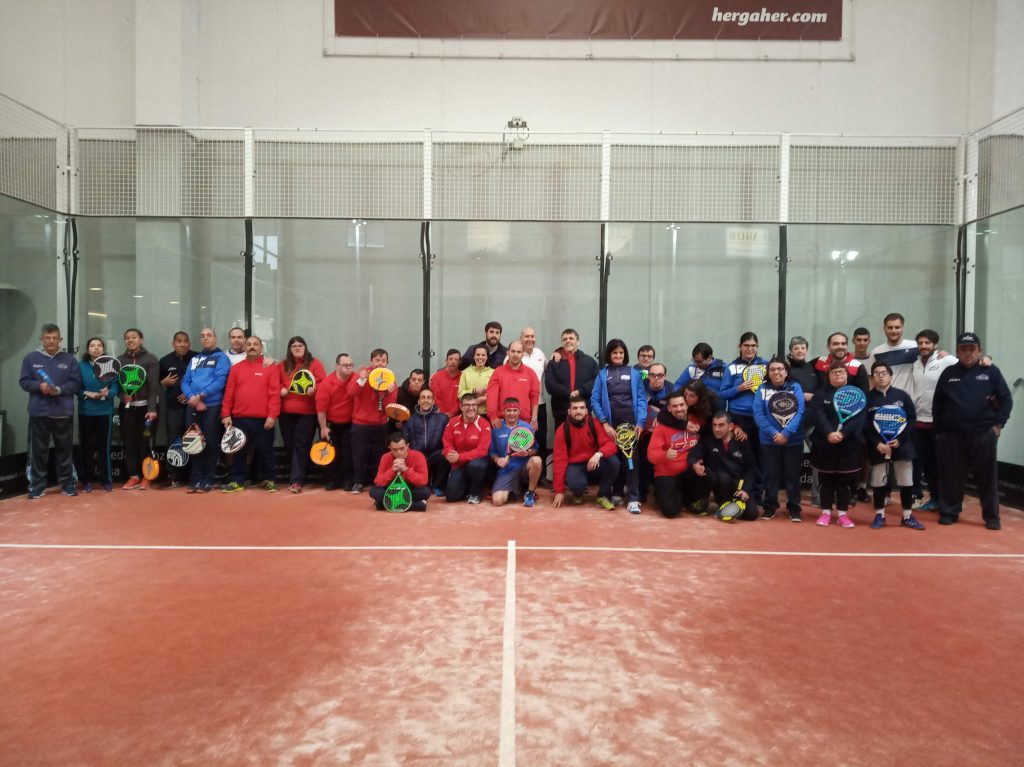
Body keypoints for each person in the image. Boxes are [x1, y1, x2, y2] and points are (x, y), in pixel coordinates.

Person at [933, 332, 1012, 530]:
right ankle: (949, 512)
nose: (968, 353)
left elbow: (1006, 400)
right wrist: (939, 430)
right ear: (957, 351)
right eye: (964, 349)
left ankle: (992, 517)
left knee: (987, 477)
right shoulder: (948, 373)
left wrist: (998, 424)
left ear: (979, 351)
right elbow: (938, 404)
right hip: (952, 434)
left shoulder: (991, 372)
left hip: (983, 433)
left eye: (972, 349)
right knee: (951, 475)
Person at [20, 324, 82, 499]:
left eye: (55, 338)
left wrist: (59, 390)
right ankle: (37, 486)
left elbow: (76, 384)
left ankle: (68, 484)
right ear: (41, 339)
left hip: (63, 412)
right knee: (38, 452)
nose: (51, 341)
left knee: (65, 450)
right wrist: (39, 386)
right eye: (47, 338)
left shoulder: (69, 359)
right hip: (39, 413)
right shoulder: (30, 358)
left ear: (60, 339)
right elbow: (24, 381)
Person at [865, 361, 923, 530]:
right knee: (878, 483)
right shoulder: (868, 398)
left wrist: (901, 439)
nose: (880, 376)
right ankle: (879, 515)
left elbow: (911, 420)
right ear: (872, 377)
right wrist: (877, 444)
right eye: (876, 373)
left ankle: (907, 516)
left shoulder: (902, 396)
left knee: (906, 482)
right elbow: (865, 426)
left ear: (890, 376)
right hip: (879, 448)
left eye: (884, 372)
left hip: (902, 447)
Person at [591, 339, 647, 514]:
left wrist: (640, 422)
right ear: (609, 354)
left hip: (631, 427)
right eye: (614, 352)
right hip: (611, 427)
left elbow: (641, 400)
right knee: (614, 461)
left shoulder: (634, 373)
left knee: (631, 462)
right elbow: (595, 400)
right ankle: (616, 492)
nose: (618, 355)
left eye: (621, 353)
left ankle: (633, 499)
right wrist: (605, 423)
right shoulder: (602, 374)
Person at [809, 361, 867, 528]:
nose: (838, 375)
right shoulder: (820, 394)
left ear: (847, 375)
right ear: (829, 375)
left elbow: (859, 419)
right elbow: (817, 415)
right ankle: (825, 513)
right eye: (835, 373)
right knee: (825, 482)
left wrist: (842, 433)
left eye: (841, 372)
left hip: (848, 446)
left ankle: (842, 515)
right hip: (824, 445)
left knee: (844, 483)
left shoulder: (857, 394)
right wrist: (829, 432)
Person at [220, 335, 280, 493]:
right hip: (239, 419)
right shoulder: (236, 369)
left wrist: (272, 415)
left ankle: (268, 479)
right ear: (245, 348)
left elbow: (275, 394)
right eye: (249, 344)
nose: (252, 346)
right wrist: (226, 414)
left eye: (255, 344)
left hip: (263, 420)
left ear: (261, 348)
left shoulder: (271, 368)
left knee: (265, 451)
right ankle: (237, 481)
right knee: (238, 452)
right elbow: (229, 393)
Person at [719, 332, 769, 509]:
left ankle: (757, 494)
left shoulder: (765, 365)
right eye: (746, 345)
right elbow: (722, 393)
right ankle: (742, 492)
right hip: (739, 417)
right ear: (740, 346)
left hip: (761, 417)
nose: (750, 349)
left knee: (761, 456)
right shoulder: (731, 367)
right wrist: (739, 388)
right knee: (746, 458)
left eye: (753, 346)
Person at [753, 358, 806, 522]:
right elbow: (758, 414)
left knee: (792, 475)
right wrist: (774, 433)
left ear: (786, 371)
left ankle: (794, 508)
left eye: (780, 369)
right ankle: (769, 506)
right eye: (773, 369)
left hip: (793, 441)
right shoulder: (762, 389)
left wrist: (787, 433)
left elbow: (800, 411)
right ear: (768, 373)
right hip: (769, 441)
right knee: (770, 474)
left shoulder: (795, 387)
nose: (776, 372)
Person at [911, 329, 958, 511]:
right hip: (919, 422)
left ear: (935, 345)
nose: (923, 346)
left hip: (940, 422)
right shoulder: (915, 364)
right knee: (928, 464)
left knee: (943, 463)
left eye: (927, 343)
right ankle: (935, 498)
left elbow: (969, 364)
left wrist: (987, 360)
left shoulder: (946, 360)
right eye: (921, 343)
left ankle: (948, 502)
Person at [180, 327, 231, 493]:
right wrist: (193, 399)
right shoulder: (195, 358)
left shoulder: (222, 358)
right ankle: (195, 480)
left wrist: (201, 396)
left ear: (215, 338)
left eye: (209, 335)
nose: (205, 338)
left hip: (212, 406)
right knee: (193, 441)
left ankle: (208, 479)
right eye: (202, 336)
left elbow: (220, 381)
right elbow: (185, 381)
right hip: (193, 406)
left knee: (210, 442)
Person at [550, 394, 620, 509]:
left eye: (582, 408)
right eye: (575, 408)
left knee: (614, 462)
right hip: (575, 465)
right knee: (575, 484)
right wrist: (559, 492)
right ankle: (578, 492)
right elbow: (559, 461)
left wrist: (598, 454)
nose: (579, 411)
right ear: (569, 411)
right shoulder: (562, 430)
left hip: (594, 463)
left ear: (586, 411)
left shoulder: (595, 423)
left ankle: (602, 495)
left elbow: (611, 445)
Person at [277, 335, 326, 493]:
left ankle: (296, 480)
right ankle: (296, 476)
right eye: (294, 346)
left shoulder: (315, 364)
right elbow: (273, 382)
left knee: (300, 445)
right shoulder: (282, 365)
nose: (297, 347)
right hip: (285, 413)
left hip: (307, 413)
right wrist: (280, 390)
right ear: (289, 349)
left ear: (305, 347)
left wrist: (315, 389)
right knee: (290, 446)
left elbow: (322, 383)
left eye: (300, 345)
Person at [690, 411, 757, 521]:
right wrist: (694, 465)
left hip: (738, 485)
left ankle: (730, 507)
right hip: (721, 483)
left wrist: (745, 490)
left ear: (730, 426)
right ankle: (720, 504)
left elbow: (751, 469)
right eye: (714, 425)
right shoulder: (708, 440)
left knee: (751, 515)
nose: (717, 429)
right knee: (722, 477)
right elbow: (694, 455)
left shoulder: (742, 441)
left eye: (721, 425)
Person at [646, 390, 703, 518]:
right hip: (667, 474)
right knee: (670, 512)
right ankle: (673, 496)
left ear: (687, 406)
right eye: (675, 406)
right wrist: (665, 455)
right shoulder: (661, 428)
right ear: (669, 409)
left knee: (708, 476)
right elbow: (651, 455)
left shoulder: (696, 422)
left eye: (681, 405)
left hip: (689, 472)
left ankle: (689, 499)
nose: (679, 409)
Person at [116, 328, 161, 490]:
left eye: (134, 337)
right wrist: (122, 397)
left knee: (145, 443)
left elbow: (153, 387)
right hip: (127, 410)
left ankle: (147, 476)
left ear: (141, 340)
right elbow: (116, 386)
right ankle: (133, 476)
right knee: (129, 443)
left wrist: (151, 409)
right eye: (127, 338)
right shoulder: (119, 360)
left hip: (147, 411)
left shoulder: (151, 359)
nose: (130, 340)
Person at [348, 348, 397, 494]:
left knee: (379, 456)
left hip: (380, 424)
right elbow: (351, 392)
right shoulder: (361, 375)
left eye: (383, 360)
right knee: (359, 454)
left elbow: (390, 405)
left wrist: (388, 391)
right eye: (377, 360)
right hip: (360, 423)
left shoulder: (391, 379)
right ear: (372, 361)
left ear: (387, 362)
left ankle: (379, 481)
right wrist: (361, 379)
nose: (380, 363)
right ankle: (358, 482)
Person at [78, 337, 119, 493]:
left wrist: (108, 393)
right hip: (85, 411)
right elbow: (76, 387)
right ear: (88, 349)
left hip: (105, 412)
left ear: (103, 349)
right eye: (92, 346)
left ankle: (107, 480)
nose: (96, 348)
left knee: (104, 447)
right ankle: (86, 480)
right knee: (86, 447)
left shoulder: (111, 365)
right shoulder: (80, 366)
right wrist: (86, 393)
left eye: (99, 346)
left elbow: (115, 386)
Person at [489, 398, 542, 507]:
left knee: (537, 461)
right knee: (498, 501)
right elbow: (492, 452)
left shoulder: (527, 428)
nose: (511, 413)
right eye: (508, 410)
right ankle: (516, 489)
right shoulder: (496, 428)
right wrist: (497, 459)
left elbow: (535, 448)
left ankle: (530, 493)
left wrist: (528, 453)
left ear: (519, 411)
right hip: (506, 470)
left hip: (524, 467)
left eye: (514, 410)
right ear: (503, 412)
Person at [158, 330, 195, 488]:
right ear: (173, 343)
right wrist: (163, 383)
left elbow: (203, 380)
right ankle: (173, 475)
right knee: (173, 441)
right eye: (179, 341)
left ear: (189, 343)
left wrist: (189, 395)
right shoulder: (165, 360)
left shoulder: (197, 358)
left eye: (185, 341)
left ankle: (194, 475)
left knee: (193, 440)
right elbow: (158, 382)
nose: (182, 344)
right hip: (172, 408)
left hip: (193, 407)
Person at [442, 393, 493, 504]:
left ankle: (476, 492)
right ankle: (466, 487)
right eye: (467, 405)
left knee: (476, 465)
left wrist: (459, 457)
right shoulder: (453, 422)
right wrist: (449, 454)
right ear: (461, 407)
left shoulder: (484, 424)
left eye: (474, 405)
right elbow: (447, 443)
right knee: (451, 497)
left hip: (476, 461)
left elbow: (482, 451)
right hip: (458, 463)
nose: (471, 408)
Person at [315, 353, 355, 491]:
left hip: (349, 423)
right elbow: (321, 409)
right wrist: (323, 428)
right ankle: (333, 480)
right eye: (345, 365)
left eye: (351, 365)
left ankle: (348, 480)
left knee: (347, 452)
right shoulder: (326, 384)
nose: (349, 368)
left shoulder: (355, 378)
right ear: (337, 366)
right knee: (331, 453)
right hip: (331, 423)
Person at [545, 328, 599, 428]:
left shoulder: (589, 361)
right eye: (565, 339)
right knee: (563, 441)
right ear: (562, 343)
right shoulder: (554, 362)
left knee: (585, 442)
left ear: (577, 342)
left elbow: (596, 381)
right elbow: (549, 384)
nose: (568, 341)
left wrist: (580, 392)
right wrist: (568, 393)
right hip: (561, 411)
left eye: (571, 338)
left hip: (583, 411)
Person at [403, 387, 450, 496]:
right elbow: (405, 440)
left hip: (436, 454)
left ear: (433, 401)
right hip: (418, 456)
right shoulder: (410, 419)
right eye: (423, 397)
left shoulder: (442, 418)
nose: (426, 400)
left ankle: (438, 486)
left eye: (429, 398)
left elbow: (448, 440)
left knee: (445, 454)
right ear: (418, 401)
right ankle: (425, 485)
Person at [370, 432, 430, 512]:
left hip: (410, 489)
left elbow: (423, 481)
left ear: (407, 446)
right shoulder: (385, 457)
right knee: (373, 491)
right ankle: (416, 506)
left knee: (425, 492)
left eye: (402, 448)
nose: (399, 452)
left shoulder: (418, 456)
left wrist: (406, 470)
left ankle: (384, 504)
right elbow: (378, 481)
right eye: (395, 449)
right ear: (389, 448)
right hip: (392, 489)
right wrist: (392, 470)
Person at [487, 340, 540, 429]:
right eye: (513, 351)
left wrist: (534, 419)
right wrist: (493, 416)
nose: (516, 354)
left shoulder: (530, 373)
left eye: (519, 352)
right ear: (507, 352)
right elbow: (491, 396)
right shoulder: (498, 372)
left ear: (523, 354)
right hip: (501, 422)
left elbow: (534, 397)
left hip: (524, 422)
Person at [639, 362, 671, 503]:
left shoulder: (672, 390)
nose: (656, 378)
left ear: (665, 376)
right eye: (652, 375)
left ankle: (660, 490)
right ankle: (641, 491)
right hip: (642, 432)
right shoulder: (641, 388)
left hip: (663, 434)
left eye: (660, 375)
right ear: (648, 376)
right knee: (641, 459)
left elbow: (677, 412)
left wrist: (661, 418)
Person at [868, 313, 918, 395]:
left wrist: (943, 355)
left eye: (897, 327)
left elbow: (931, 357)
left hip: (909, 401)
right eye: (890, 328)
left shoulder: (915, 346)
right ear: (884, 329)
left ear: (903, 328)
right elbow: (872, 380)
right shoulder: (876, 352)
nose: (894, 331)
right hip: (885, 402)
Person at [458, 345, 495, 418]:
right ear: (474, 356)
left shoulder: (494, 373)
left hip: (488, 415)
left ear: (487, 357)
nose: (480, 357)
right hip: (469, 414)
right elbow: (460, 394)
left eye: (483, 355)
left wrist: (486, 398)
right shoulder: (466, 373)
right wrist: (474, 391)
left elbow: (497, 394)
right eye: (478, 354)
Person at [429, 348, 464, 417]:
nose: (453, 361)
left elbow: (461, 398)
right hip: (438, 415)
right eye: (450, 359)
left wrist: (452, 413)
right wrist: (443, 414)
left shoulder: (463, 378)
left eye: (456, 359)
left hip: (457, 416)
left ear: (459, 362)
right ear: (446, 360)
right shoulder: (436, 377)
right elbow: (435, 397)